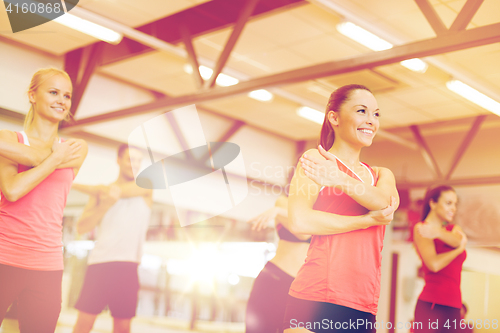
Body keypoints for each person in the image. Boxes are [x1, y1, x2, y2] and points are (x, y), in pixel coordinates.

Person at [282, 84, 399, 333]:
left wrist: (340, 179)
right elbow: (300, 222)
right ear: (334, 117)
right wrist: (365, 221)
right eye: (362, 111)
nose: (371, 121)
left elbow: (384, 204)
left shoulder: (380, 175)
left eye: (376, 114)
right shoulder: (315, 161)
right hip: (316, 298)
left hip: (363, 304)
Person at [0, 67, 88, 333]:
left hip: (47, 265)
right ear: (32, 95)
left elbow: (37, 159)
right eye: (53, 92)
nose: (61, 100)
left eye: (67, 95)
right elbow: (13, 191)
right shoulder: (9, 138)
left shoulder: (76, 147)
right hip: (4, 255)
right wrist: (56, 158)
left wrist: (47, 156)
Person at [71, 144, 153, 333]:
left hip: (128, 266)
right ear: (118, 160)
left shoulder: (146, 186)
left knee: (122, 327)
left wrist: (71, 183)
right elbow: (82, 227)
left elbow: (114, 191)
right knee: (83, 325)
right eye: (130, 159)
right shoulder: (101, 194)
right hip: (99, 264)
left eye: (139, 160)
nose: (135, 164)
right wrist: (104, 205)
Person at [245, 195, 311, 333]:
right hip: (275, 279)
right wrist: (279, 210)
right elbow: (304, 232)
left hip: (301, 287)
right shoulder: (284, 201)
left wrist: (278, 211)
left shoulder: (324, 211)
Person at [412, 185, 467, 333]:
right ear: (433, 203)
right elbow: (434, 264)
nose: (454, 208)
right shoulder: (421, 229)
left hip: (455, 306)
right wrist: (459, 251)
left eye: (455, 204)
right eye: (449, 203)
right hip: (432, 305)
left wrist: (436, 231)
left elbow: (457, 240)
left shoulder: (453, 229)